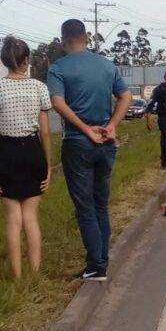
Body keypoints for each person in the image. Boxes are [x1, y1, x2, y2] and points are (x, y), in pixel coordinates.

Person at [47, 18, 133, 281]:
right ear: (86, 37)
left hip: (78, 142)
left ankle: (96, 266)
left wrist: (85, 129)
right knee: (100, 204)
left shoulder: (58, 68)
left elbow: (57, 103)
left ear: (64, 40)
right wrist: (112, 125)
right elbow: (126, 96)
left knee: (84, 206)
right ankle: (101, 261)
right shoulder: (107, 65)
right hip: (106, 142)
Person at [0, 36, 53, 279]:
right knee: (31, 218)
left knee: (13, 220)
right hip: (33, 152)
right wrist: (49, 167)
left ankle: (17, 276)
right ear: (27, 60)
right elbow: (45, 132)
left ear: (5, 61)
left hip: (7, 153)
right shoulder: (39, 87)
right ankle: (35, 273)